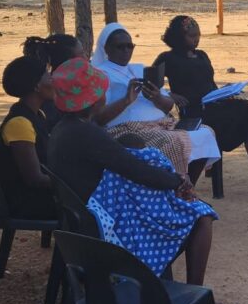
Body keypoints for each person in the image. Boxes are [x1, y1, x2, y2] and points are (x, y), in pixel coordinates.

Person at [47, 58, 218, 291]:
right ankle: (192, 297)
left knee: (169, 206)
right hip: (103, 225)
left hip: (80, 217)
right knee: (200, 216)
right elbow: (135, 170)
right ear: (96, 98)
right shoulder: (86, 134)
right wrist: (176, 180)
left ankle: (162, 284)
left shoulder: (65, 129)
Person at [155, 15, 248, 204]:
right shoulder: (167, 58)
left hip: (215, 106)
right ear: (179, 37)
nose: (196, 39)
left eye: (198, 35)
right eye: (191, 36)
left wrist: (224, 92)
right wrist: (171, 95)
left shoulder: (202, 55)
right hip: (196, 115)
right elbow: (150, 83)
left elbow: (209, 85)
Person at [90, 22, 220, 185]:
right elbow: (99, 118)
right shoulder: (100, 74)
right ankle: (176, 188)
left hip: (161, 123)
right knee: (174, 141)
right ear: (106, 48)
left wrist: (156, 97)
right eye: (120, 46)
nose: (126, 51)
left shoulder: (140, 69)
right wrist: (126, 100)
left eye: (130, 46)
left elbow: (168, 106)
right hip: (126, 130)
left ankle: (186, 188)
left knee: (205, 133)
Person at [0, 55, 56, 219]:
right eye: (48, 75)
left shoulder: (37, 115)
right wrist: (70, 181)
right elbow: (34, 178)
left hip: (44, 196)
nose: (53, 79)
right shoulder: (20, 123)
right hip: (32, 202)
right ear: (37, 85)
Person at [22, 33, 88, 129]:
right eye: (81, 54)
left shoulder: (61, 87)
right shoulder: (52, 95)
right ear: (68, 62)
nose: (86, 58)